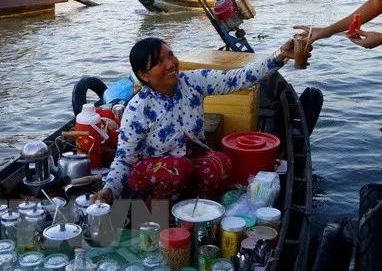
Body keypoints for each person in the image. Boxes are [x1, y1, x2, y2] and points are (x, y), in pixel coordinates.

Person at [90, 36, 306, 204]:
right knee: (178, 167)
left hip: (189, 161)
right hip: (152, 174)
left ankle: (194, 210)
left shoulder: (192, 82)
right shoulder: (137, 108)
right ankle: (152, 214)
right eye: (159, 62)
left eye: (170, 55)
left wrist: (279, 55)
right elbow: (124, 158)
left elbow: (238, 78)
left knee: (219, 162)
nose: (170, 64)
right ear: (144, 75)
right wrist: (108, 190)